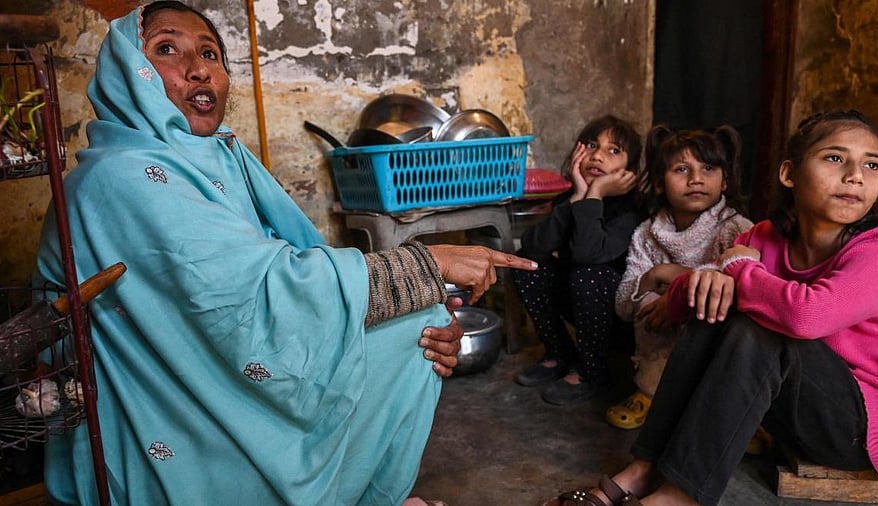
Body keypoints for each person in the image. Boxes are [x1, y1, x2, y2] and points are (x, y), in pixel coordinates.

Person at [34, 2, 536, 505]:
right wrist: (428, 265)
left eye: (209, 53)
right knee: (413, 314)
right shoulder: (120, 176)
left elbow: (274, 273)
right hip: (159, 408)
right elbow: (251, 292)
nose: (198, 69)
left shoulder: (213, 159)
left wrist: (423, 314)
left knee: (418, 326)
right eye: (167, 49)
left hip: (208, 359)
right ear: (127, 71)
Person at [544, 108, 878, 505]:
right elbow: (696, 291)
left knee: (760, 327)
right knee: (718, 306)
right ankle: (643, 469)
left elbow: (806, 315)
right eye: (835, 158)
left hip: (858, 430)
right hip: (785, 414)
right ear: (789, 173)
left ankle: (678, 498)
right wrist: (694, 289)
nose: (855, 175)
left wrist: (737, 269)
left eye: (872, 165)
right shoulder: (763, 237)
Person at [607, 125, 752, 430]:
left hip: (715, 327)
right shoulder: (647, 234)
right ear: (659, 183)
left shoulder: (736, 229)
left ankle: (734, 408)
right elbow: (624, 303)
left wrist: (675, 286)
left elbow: (747, 291)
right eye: (681, 169)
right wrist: (656, 274)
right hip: (661, 335)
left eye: (708, 168)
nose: (696, 178)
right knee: (646, 298)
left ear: (725, 180)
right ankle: (650, 389)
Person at [512, 115, 644, 405]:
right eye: (592, 146)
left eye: (614, 150)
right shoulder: (569, 199)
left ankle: (591, 370)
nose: (597, 156)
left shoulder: (632, 211)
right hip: (579, 305)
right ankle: (559, 353)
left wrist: (594, 194)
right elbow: (533, 247)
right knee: (527, 264)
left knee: (588, 272)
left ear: (630, 172)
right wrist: (578, 197)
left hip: (620, 320)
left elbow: (589, 254)